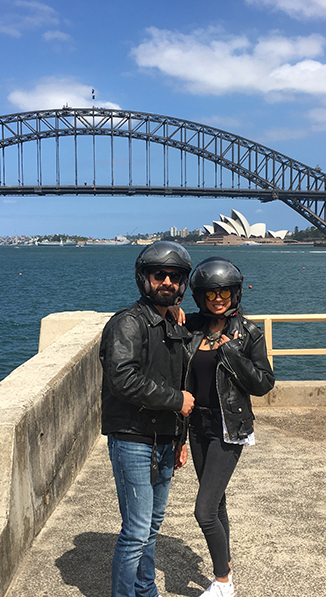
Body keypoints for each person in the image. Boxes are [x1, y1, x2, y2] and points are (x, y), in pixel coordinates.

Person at [100, 241, 195, 597]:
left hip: (165, 440)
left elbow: (178, 377)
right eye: (159, 275)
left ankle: (146, 591)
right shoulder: (129, 323)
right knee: (136, 531)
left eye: (175, 277)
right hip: (133, 438)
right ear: (145, 278)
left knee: (152, 527)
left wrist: (180, 438)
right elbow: (123, 378)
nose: (167, 282)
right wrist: (176, 402)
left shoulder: (173, 324)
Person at [183, 257, 275, 597]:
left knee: (203, 511)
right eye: (211, 294)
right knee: (217, 502)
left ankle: (224, 582)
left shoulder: (248, 333)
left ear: (234, 294)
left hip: (228, 427)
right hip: (198, 427)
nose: (217, 299)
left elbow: (264, 383)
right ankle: (226, 568)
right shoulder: (193, 328)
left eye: (224, 292)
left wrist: (233, 355)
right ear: (201, 298)